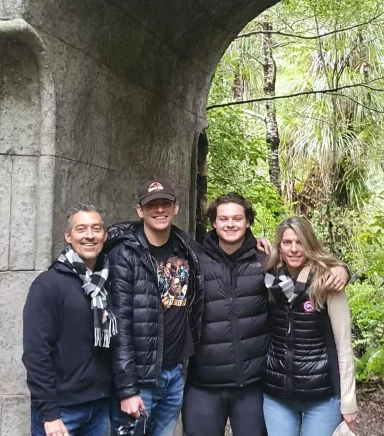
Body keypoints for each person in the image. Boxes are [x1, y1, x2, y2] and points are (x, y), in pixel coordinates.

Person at [182, 194, 350, 436]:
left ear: (248, 221)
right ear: (214, 223)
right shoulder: (195, 261)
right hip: (205, 382)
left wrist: (341, 269)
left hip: (253, 384)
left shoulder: (266, 264)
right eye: (224, 218)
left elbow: (296, 290)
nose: (230, 224)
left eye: (237, 218)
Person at [105, 179, 204, 436]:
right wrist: (127, 389)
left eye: (165, 203)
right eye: (152, 205)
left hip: (174, 374)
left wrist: (257, 242)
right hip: (140, 379)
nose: (159, 210)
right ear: (140, 210)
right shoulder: (125, 254)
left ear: (176, 208)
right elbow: (120, 325)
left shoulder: (187, 250)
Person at [23, 204, 116, 436]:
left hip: (100, 406)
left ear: (104, 236)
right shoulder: (48, 285)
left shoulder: (107, 283)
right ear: (68, 236)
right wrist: (50, 415)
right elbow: (36, 353)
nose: (90, 236)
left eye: (96, 229)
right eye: (81, 229)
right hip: (62, 411)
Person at [262, 216, 358, 436]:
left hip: (321, 395)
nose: (294, 249)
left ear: (310, 244)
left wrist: (349, 402)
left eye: (300, 242)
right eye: (287, 242)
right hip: (277, 394)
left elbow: (343, 345)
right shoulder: (270, 279)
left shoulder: (328, 281)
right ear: (280, 246)